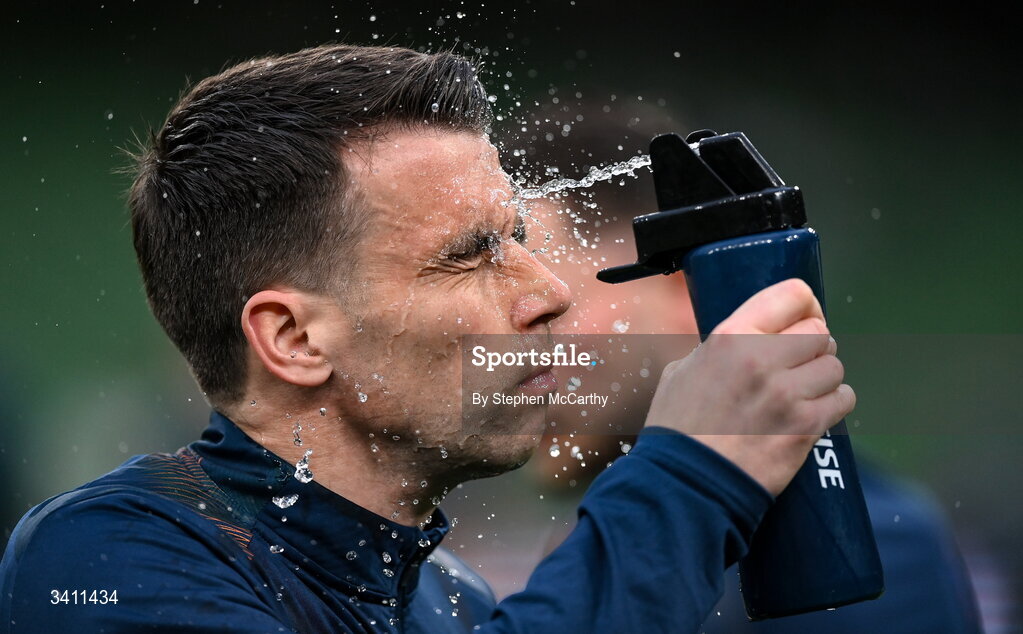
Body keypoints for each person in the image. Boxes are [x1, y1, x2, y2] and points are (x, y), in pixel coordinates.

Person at [0, 44, 855, 633]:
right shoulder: (109, 555)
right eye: (469, 255)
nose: (551, 294)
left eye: (519, 238)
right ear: (293, 338)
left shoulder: (451, 599)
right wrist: (688, 476)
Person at [518, 103, 983, 633]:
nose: (516, 348)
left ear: (687, 292)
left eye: (550, 307)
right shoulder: (615, 547)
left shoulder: (851, 548)